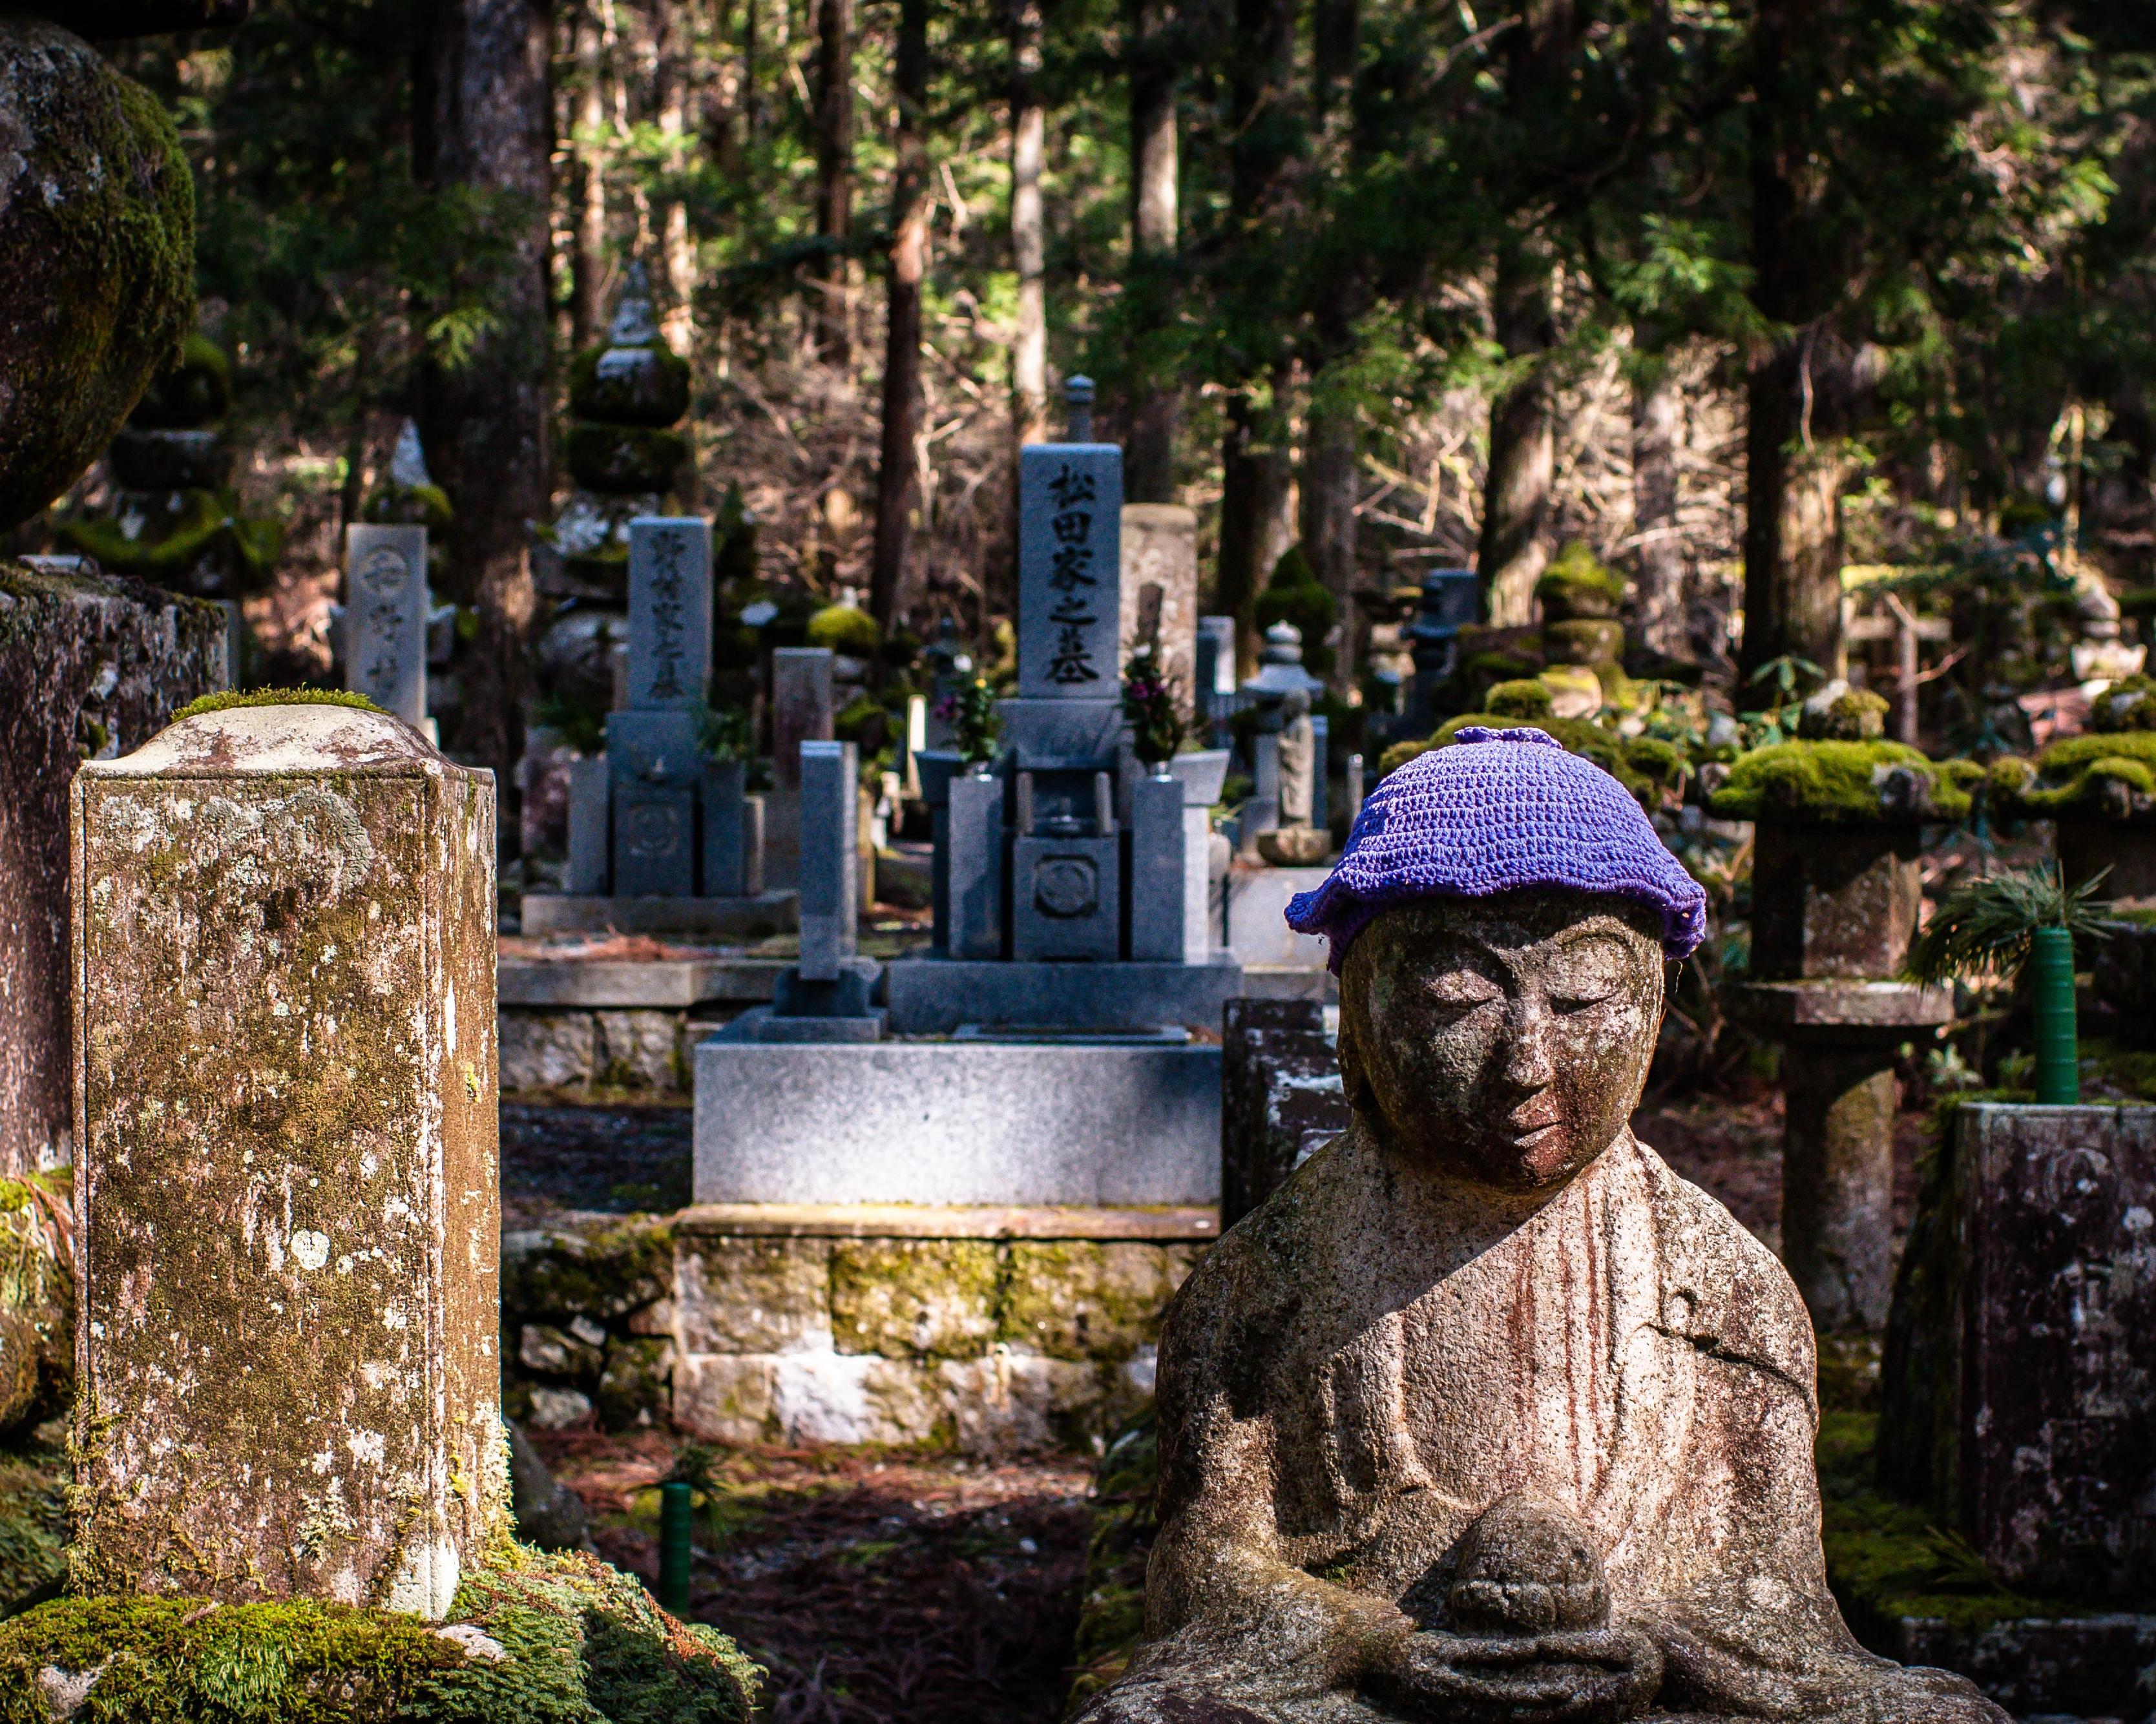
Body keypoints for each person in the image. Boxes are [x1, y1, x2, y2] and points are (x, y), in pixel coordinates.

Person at [1080, 727, 2005, 1724]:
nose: (1525, 1059)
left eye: (1581, 994)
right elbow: (1202, 1571)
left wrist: (1646, 1647)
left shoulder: (1727, 1295)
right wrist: (1378, 1641)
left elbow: (1774, 1603)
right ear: (1356, 1018)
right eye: (1457, 994)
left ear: (1650, 1008)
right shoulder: (1262, 1289)